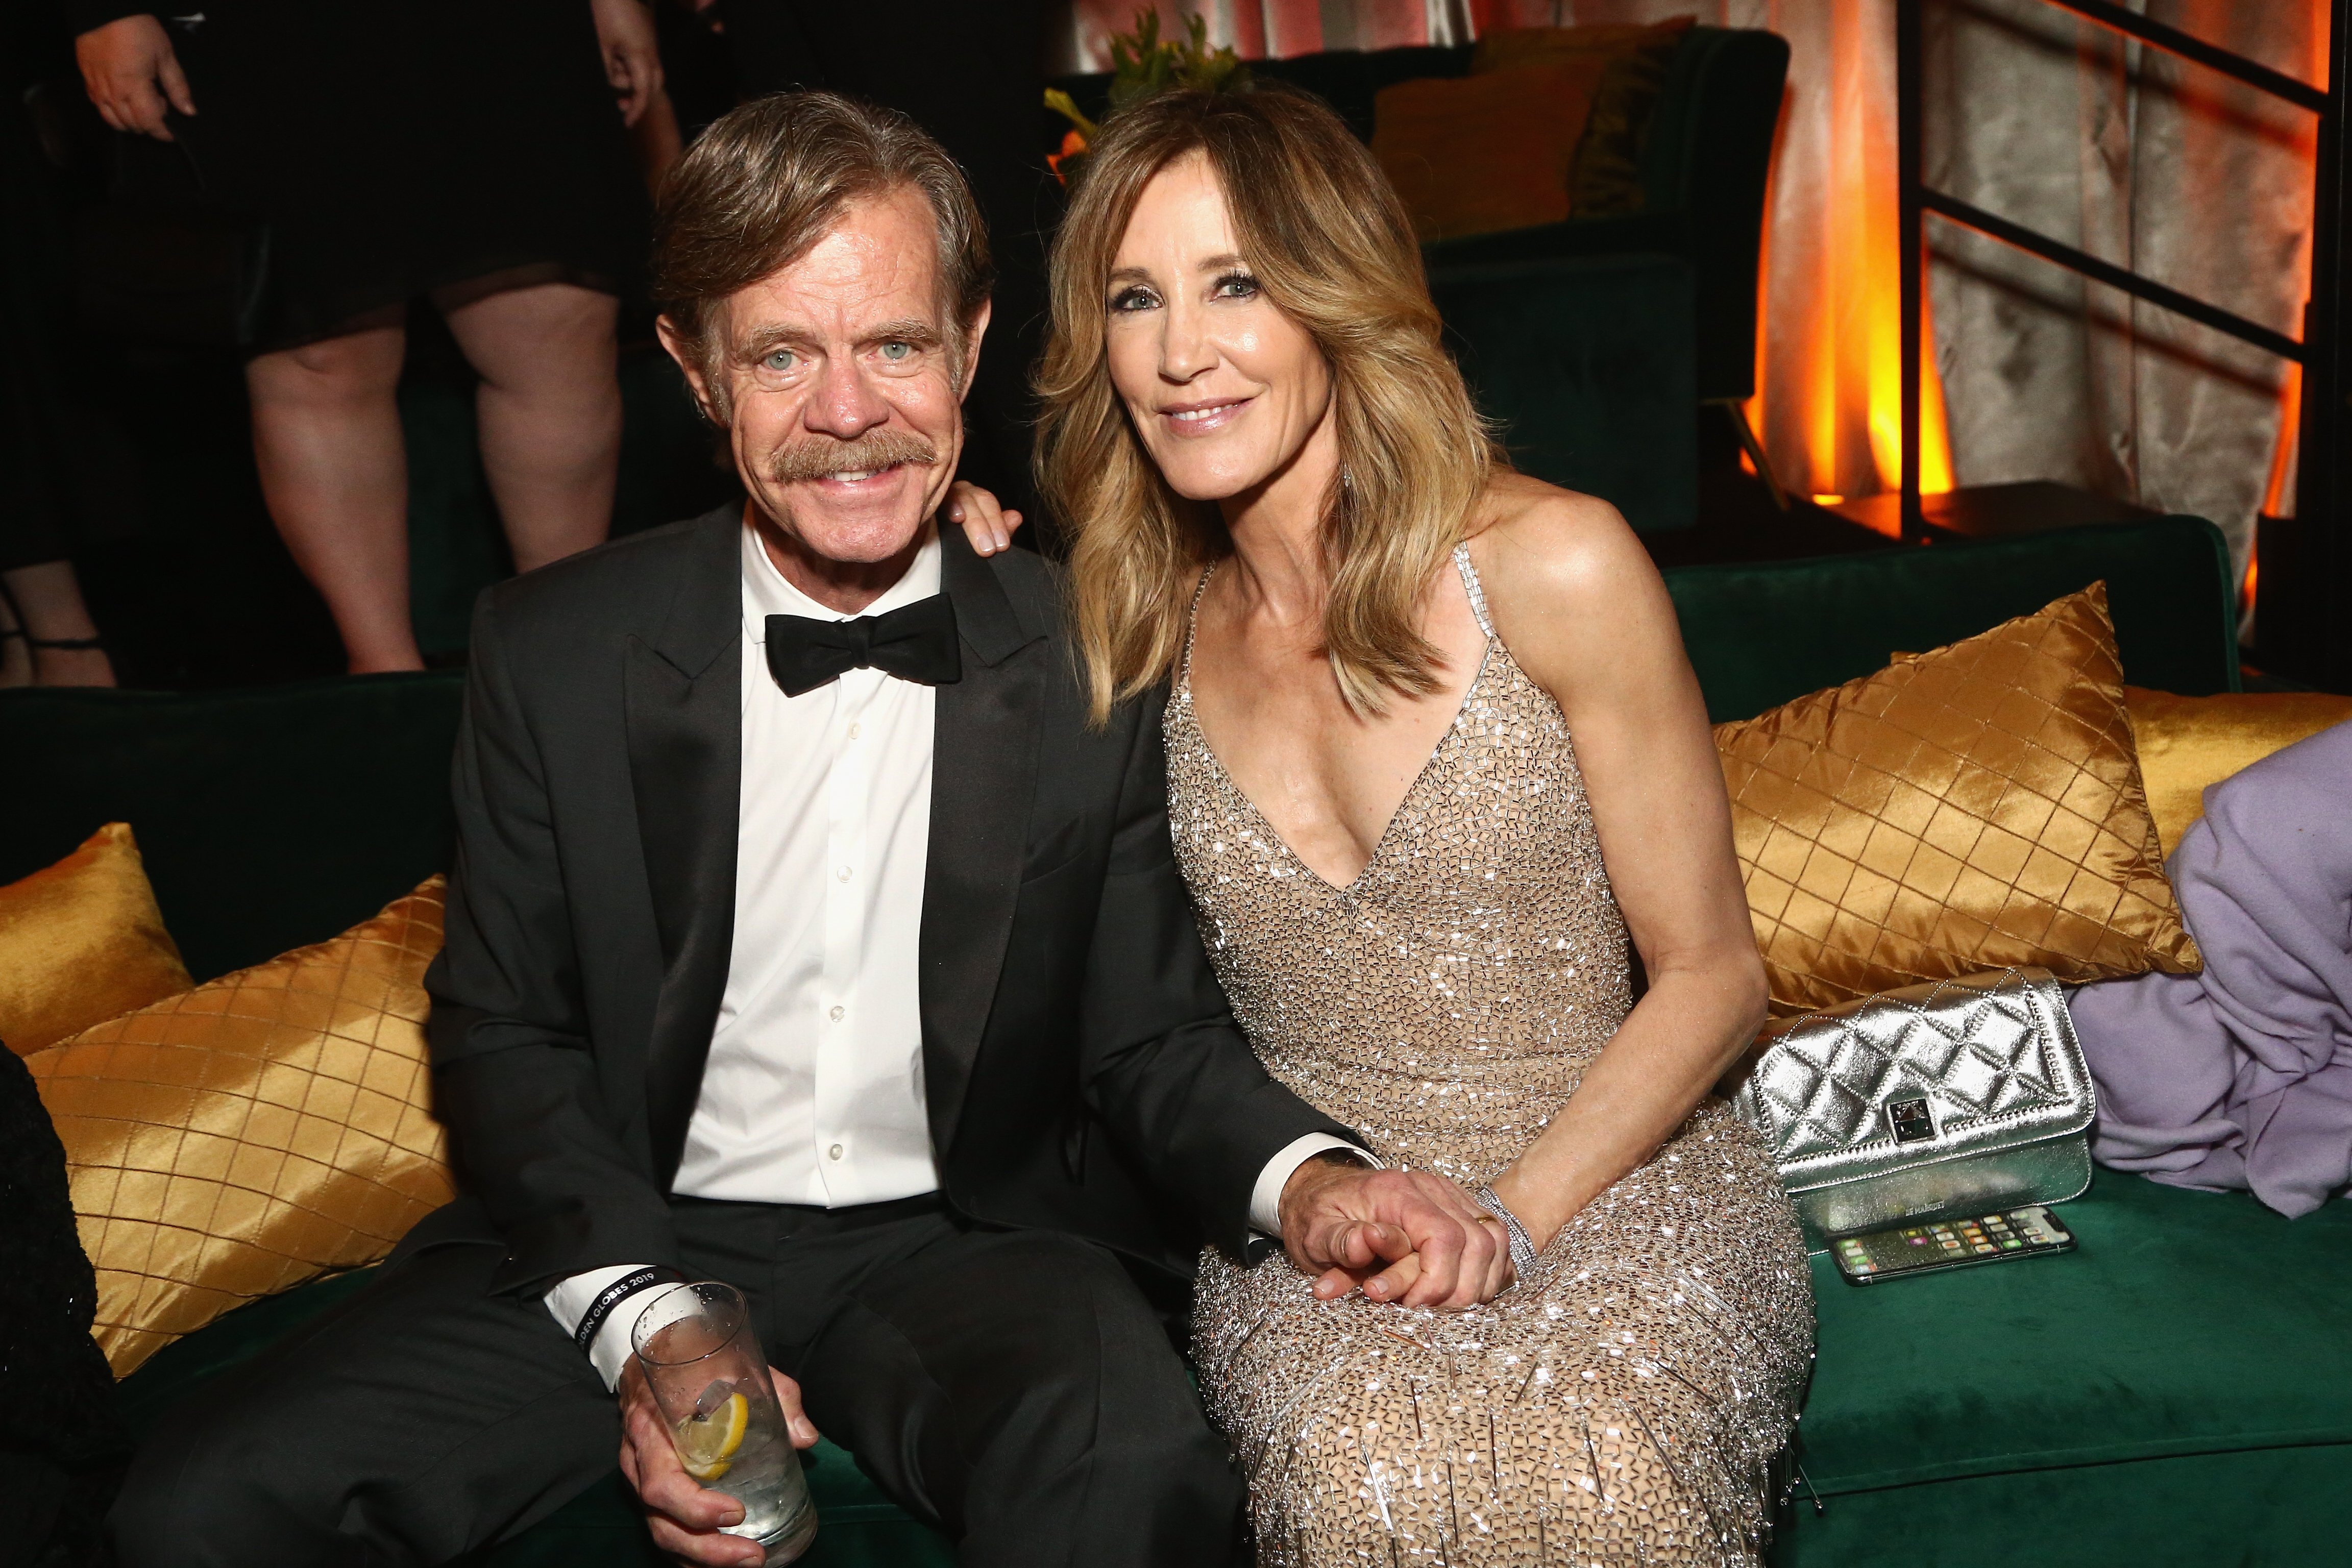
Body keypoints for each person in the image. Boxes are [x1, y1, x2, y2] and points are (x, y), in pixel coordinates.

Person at [107, 92, 1508, 1568]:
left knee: (1127, 1464)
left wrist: (1314, 1182)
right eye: (783, 355)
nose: (849, 412)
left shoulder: (1092, 643)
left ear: (970, 348)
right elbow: (503, 1032)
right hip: (637, 1221)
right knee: (205, 1502)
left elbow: (1149, 1036)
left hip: (963, 1245)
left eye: (896, 345)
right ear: (694, 372)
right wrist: (650, 1321)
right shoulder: (557, 649)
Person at [1032, 86, 1818, 1565]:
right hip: (1324, 1223)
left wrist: (1513, 1219)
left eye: (1237, 285)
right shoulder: (1129, 632)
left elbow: (1717, 976)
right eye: (1136, 298)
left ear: (1338, 298)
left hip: (1619, 1172)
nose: (1181, 351)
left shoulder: (1551, 562)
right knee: (1356, 1484)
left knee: (1606, 1476)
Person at [68, 0, 658, 673]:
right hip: (265, 31)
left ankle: (562, 655)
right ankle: (384, 681)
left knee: (555, 321)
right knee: (319, 345)